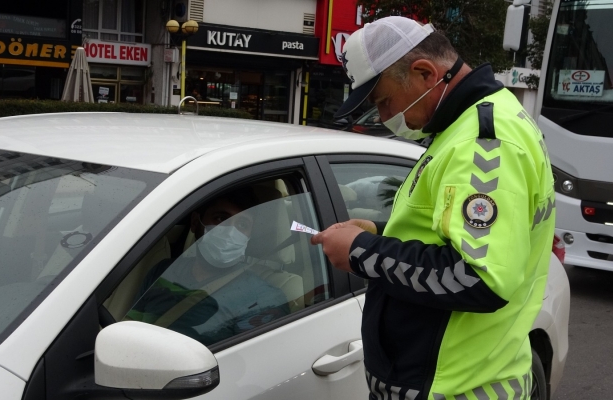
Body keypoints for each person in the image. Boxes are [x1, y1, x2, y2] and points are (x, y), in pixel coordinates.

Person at [311, 16, 555, 399]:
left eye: (384, 102)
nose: (386, 118)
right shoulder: (472, 122)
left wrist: (362, 252)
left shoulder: (483, 142)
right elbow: (450, 230)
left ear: (425, 73)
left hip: (457, 387)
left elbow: (480, 277)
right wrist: (379, 232)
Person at [128, 188, 289, 346]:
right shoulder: (163, 271)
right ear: (195, 223)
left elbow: (247, 365)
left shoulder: (263, 298)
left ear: (249, 236)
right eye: (220, 219)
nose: (230, 232)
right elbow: (129, 330)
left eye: (242, 225)